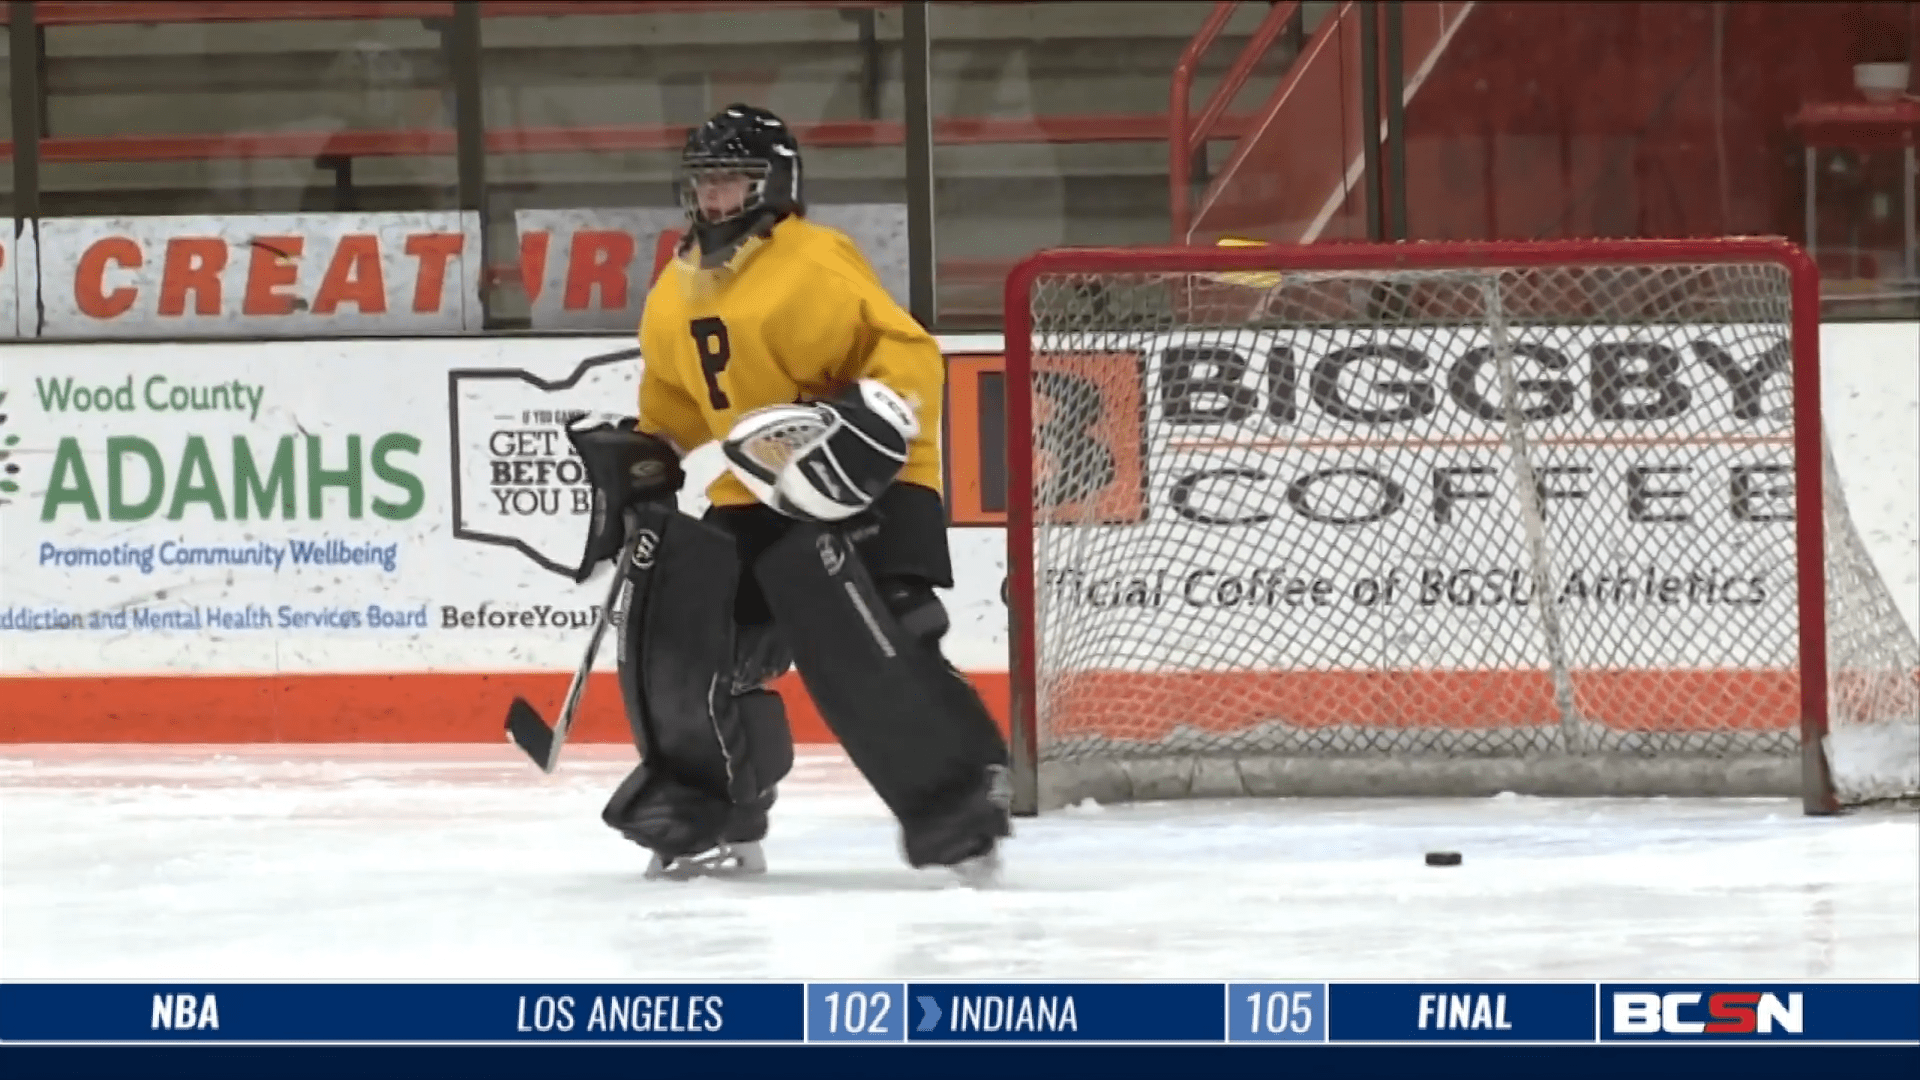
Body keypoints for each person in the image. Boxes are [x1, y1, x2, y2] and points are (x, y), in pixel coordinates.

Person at [564, 104, 1012, 884]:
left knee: (883, 634)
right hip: (754, 487)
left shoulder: (813, 260)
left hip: (869, 480)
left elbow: (905, 356)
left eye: (729, 181)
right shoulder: (675, 287)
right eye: (702, 184)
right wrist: (645, 458)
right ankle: (713, 812)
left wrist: (858, 425)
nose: (712, 199)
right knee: (691, 639)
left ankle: (960, 804)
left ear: (772, 185)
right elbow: (674, 400)